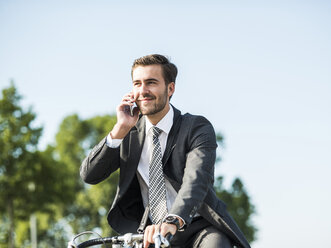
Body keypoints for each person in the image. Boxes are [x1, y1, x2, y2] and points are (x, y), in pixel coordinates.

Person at [80, 54, 251, 248]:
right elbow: (89, 175)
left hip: (198, 229)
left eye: (151, 83)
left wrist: (173, 220)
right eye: (137, 83)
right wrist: (120, 128)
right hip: (150, 235)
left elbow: (196, 181)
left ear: (170, 88)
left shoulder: (196, 127)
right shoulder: (128, 133)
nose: (143, 91)